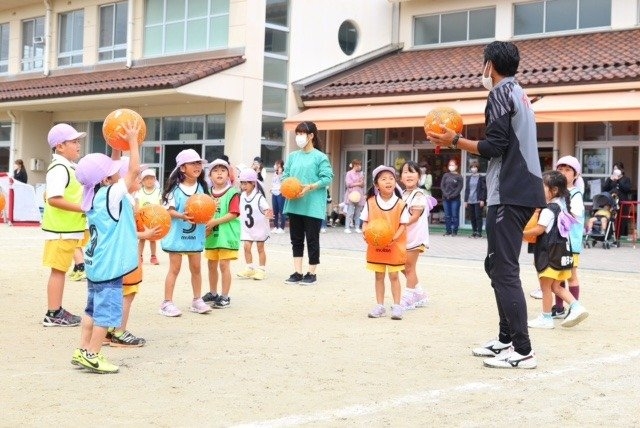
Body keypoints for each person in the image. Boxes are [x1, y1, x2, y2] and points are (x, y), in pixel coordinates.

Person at [427, 41, 546, 369]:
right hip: (518, 189)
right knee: (496, 266)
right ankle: (506, 339)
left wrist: (453, 140)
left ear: (489, 65)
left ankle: (523, 350)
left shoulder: (499, 93)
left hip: (510, 191)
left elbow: (495, 146)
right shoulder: (518, 92)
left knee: (504, 269)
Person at [70, 119, 142, 373]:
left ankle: (82, 349)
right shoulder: (111, 195)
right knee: (106, 314)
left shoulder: (93, 194)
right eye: (113, 170)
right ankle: (93, 354)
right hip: (109, 267)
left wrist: (115, 144)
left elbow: (114, 170)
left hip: (96, 265)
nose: (118, 171)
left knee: (91, 309)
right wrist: (132, 141)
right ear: (106, 178)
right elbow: (133, 170)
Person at [523, 171, 589, 329]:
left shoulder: (548, 210)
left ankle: (546, 318)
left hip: (550, 255)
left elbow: (539, 229)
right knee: (556, 286)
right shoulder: (561, 207)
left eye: (543, 188)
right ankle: (576, 306)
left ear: (554, 190)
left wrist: (521, 233)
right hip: (561, 254)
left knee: (546, 287)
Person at [105, 156, 159, 348]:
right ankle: (119, 332)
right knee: (128, 292)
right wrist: (145, 234)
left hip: (117, 255)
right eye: (136, 175)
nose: (140, 178)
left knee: (115, 292)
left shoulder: (120, 198)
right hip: (125, 256)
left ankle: (107, 331)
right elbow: (123, 230)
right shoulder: (123, 200)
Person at [41, 123, 87, 327]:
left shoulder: (68, 167)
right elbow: (53, 198)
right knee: (58, 271)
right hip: (60, 230)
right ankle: (53, 313)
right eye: (74, 141)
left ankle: (56, 311)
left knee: (60, 270)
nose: (78, 145)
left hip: (67, 228)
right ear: (60, 146)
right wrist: (83, 208)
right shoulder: (59, 168)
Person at [159, 149, 212, 317]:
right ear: (182, 168)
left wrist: (211, 212)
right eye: (193, 163)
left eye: (199, 163)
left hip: (195, 236)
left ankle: (197, 300)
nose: (197, 166)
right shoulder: (174, 189)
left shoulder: (202, 187)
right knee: (174, 268)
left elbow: (207, 208)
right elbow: (168, 211)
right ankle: (167, 303)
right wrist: (182, 215)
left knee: (196, 268)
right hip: (177, 236)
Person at [282, 121, 334, 285]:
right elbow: (285, 176)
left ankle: (311, 273)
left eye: (302, 133)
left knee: (312, 239)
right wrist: (287, 188)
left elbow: (327, 178)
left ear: (311, 136)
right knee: (296, 239)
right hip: (294, 204)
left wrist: (310, 186)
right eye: (297, 133)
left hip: (313, 206)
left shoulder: (320, 157)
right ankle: (297, 272)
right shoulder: (292, 156)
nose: (299, 137)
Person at [360, 165, 409, 320]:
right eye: (383, 179)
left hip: (394, 246)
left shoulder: (400, 204)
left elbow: (403, 225)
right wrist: (365, 232)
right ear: (376, 185)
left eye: (391, 178)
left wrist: (393, 238)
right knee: (379, 276)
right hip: (376, 246)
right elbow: (365, 222)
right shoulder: (370, 202)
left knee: (394, 276)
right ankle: (380, 306)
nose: (388, 181)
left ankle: (397, 306)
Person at [202, 158, 241, 308]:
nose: (219, 173)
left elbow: (234, 213)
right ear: (210, 175)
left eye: (223, 170)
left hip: (227, 235)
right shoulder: (207, 194)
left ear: (228, 174)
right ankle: (213, 293)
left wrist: (214, 222)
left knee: (224, 265)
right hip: (212, 236)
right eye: (216, 171)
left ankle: (225, 296)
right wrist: (206, 226)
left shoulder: (232, 192)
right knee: (211, 264)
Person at [399, 161, 437, 310]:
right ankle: (419, 292)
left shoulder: (419, 195)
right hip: (403, 237)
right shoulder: (402, 194)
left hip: (415, 237)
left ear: (419, 177)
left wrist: (398, 224)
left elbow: (414, 216)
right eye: (405, 172)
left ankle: (409, 298)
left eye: (412, 172)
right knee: (401, 266)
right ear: (400, 177)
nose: (408, 175)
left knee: (409, 267)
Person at [236, 168, 272, 280]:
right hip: (248, 227)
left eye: (246, 183)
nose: (243, 186)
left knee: (260, 247)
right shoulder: (242, 196)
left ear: (253, 183)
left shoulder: (259, 197)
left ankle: (261, 269)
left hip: (259, 227)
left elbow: (267, 209)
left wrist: (268, 213)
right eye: (242, 183)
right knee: (246, 247)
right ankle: (249, 268)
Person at [135, 168, 162, 265]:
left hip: (154, 220)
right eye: (146, 179)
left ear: (155, 180)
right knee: (142, 239)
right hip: (142, 220)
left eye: (151, 178)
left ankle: (153, 256)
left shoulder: (158, 191)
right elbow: (137, 205)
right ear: (142, 181)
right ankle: (139, 256)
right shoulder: (139, 191)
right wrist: (137, 217)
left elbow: (160, 206)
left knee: (152, 239)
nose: (149, 181)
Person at [602, 161, 632, 236]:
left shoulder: (626, 179)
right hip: (611, 203)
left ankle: (618, 236)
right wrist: (610, 179)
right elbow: (604, 188)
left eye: (617, 169)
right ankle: (607, 235)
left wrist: (618, 180)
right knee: (609, 218)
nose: (615, 171)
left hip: (622, 202)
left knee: (620, 220)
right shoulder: (611, 179)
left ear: (621, 170)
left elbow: (627, 189)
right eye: (614, 169)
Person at [440, 158, 463, 236]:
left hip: (455, 199)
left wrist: (452, 195)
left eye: (453, 165)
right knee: (447, 215)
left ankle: (455, 231)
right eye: (450, 165)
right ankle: (448, 231)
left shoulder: (459, 176)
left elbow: (459, 188)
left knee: (454, 215)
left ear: (456, 166)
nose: (451, 166)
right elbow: (442, 186)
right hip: (445, 198)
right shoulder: (445, 175)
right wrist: (446, 194)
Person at [464, 160, 487, 238]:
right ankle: (474, 231)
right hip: (470, 200)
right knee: (472, 217)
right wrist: (465, 201)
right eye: (472, 167)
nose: (473, 168)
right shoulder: (469, 178)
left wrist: (482, 199)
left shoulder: (481, 178)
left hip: (478, 200)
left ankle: (479, 233)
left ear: (478, 168)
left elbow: (484, 189)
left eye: (475, 167)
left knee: (478, 217)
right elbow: (467, 189)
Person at [343, 159, 365, 234]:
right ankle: (347, 227)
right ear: (355, 165)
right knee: (350, 212)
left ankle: (357, 227)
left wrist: (361, 182)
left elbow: (362, 184)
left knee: (358, 212)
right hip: (351, 194)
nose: (360, 167)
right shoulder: (349, 173)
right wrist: (358, 183)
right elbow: (348, 184)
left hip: (359, 194)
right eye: (359, 165)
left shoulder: (360, 174)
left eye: (360, 165)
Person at [271, 159, 286, 233]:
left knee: (281, 210)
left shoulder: (283, 173)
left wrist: (280, 174)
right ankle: (275, 226)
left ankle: (282, 228)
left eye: (276, 164)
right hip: (274, 193)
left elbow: (283, 182)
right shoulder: (274, 173)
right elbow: (273, 183)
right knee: (275, 211)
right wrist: (271, 188)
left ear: (280, 165)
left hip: (280, 193)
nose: (275, 166)